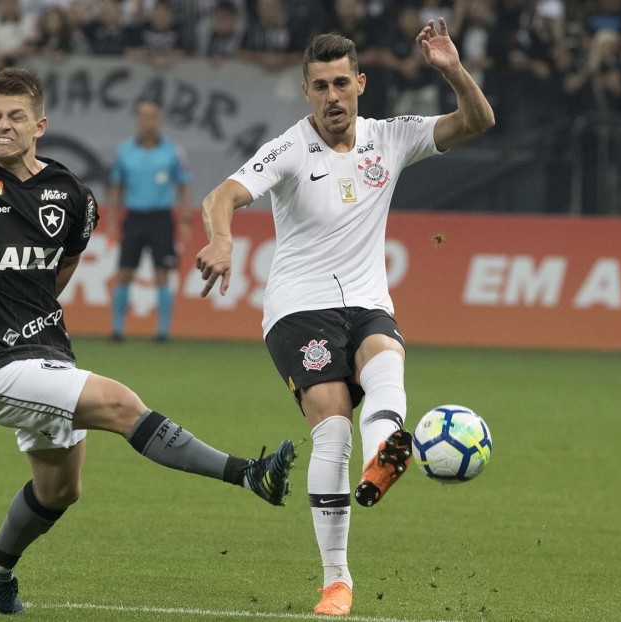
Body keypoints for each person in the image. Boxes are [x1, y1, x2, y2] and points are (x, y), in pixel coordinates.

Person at [0, 67, 296, 616]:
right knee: (121, 403)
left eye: (14, 117)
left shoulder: (68, 192)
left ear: (40, 124)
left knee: (60, 489)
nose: (1, 127)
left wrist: (36, 303)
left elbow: (71, 254)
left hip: (49, 353)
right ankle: (247, 473)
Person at [196, 22, 494, 616]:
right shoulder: (288, 148)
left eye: (341, 83)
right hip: (298, 308)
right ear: (307, 93)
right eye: (319, 87)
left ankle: (383, 456)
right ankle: (337, 580)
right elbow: (221, 195)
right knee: (331, 422)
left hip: (365, 300)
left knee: (387, 356)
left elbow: (478, 122)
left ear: (360, 83)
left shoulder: (391, 137)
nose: (332, 96)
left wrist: (452, 70)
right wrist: (222, 240)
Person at [106, 100, 192, 343]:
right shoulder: (124, 151)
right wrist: (112, 220)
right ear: (137, 120)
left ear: (160, 119)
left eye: (152, 116)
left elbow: (184, 185)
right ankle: (117, 329)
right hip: (134, 217)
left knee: (162, 273)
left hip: (161, 218)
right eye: (143, 116)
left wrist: (185, 218)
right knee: (124, 272)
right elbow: (116, 188)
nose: (148, 121)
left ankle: (163, 331)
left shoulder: (173, 152)